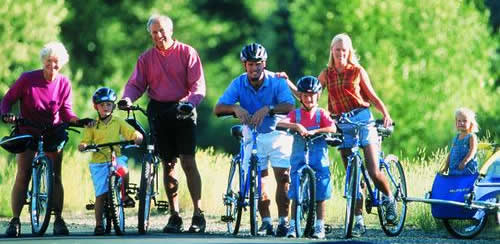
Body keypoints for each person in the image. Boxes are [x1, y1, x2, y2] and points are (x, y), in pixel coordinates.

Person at [283, 33, 396, 236]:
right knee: (352, 174)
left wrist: (385, 114)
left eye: (344, 50)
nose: (341, 53)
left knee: (372, 169)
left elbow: (371, 96)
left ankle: (389, 199)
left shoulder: (357, 71)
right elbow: (308, 95)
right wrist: (288, 82)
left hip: (362, 119)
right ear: (332, 52)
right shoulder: (327, 73)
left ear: (349, 52)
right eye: (337, 50)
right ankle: (359, 220)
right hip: (341, 123)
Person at [118, 14, 207, 233]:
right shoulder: (146, 58)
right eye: (154, 32)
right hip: (158, 109)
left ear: (170, 30)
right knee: (168, 164)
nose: (158, 35)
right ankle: (174, 215)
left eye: (161, 31)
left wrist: (190, 103)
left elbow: (198, 86)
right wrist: (127, 99)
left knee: (188, 161)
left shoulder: (187, 52)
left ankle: (198, 213)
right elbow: (136, 84)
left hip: (183, 108)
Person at [1, 41, 93, 237]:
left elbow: (66, 111)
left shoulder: (64, 83)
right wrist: (6, 114)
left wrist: (77, 121)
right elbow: (8, 99)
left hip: (53, 130)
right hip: (28, 128)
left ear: (62, 63)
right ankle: (15, 220)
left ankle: (58, 219)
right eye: (49, 61)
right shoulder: (28, 79)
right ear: (43, 61)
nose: (52, 65)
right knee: (23, 173)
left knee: (55, 175)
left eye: (57, 62)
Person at [214, 43, 295, 237]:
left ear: (264, 63)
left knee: (283, 177)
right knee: (258, 180)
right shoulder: (238, 83)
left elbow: (290, 106)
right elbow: (218, 108)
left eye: (258, 64)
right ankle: (266, 221)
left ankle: (283, 221)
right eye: (250, 64)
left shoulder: (276, 81)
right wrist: (235, 108)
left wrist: (269, 108)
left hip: (277, 133)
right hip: (252, 134)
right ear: (245, 65)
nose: (254, 68)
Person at [78, 87, 143, 235]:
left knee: (124, 170)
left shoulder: (118, 121)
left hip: (116, 156)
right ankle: (99, 224)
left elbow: (130, 132)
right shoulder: (92, 125)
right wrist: (83, 145)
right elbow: (85, 141)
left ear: (113, 106)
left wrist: (136, 136)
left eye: (108, 104)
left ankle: (124, 195)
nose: (105, 107)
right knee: (100, 195)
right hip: (99, 161)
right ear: (96, 107)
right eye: (102, 105)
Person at [277, 76, 335, 239]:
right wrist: (296, 126)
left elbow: (332, 127)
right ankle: (294, 226)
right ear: (300, 97)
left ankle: (319, 226)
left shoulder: (321, 113)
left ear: (318, 95)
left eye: (312, 95)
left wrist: (315, 131)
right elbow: (280, 124)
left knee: (321, 190)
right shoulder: (296, 114)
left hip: (318, 156)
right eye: (305, 95)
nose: (309, 98)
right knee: (295, 189)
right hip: (299, 155)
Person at [440, 107, 479, 176]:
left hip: (466, 169)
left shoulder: (471, 137)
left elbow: (472, 151)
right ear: (456, 122)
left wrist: (465, 161)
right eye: (459, 121)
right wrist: (446, 167)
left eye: (465, 121)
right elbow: (451, 152)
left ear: (471, 123)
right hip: (454, 168)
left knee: (464, 185)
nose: (461, 123)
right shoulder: (456, 137)